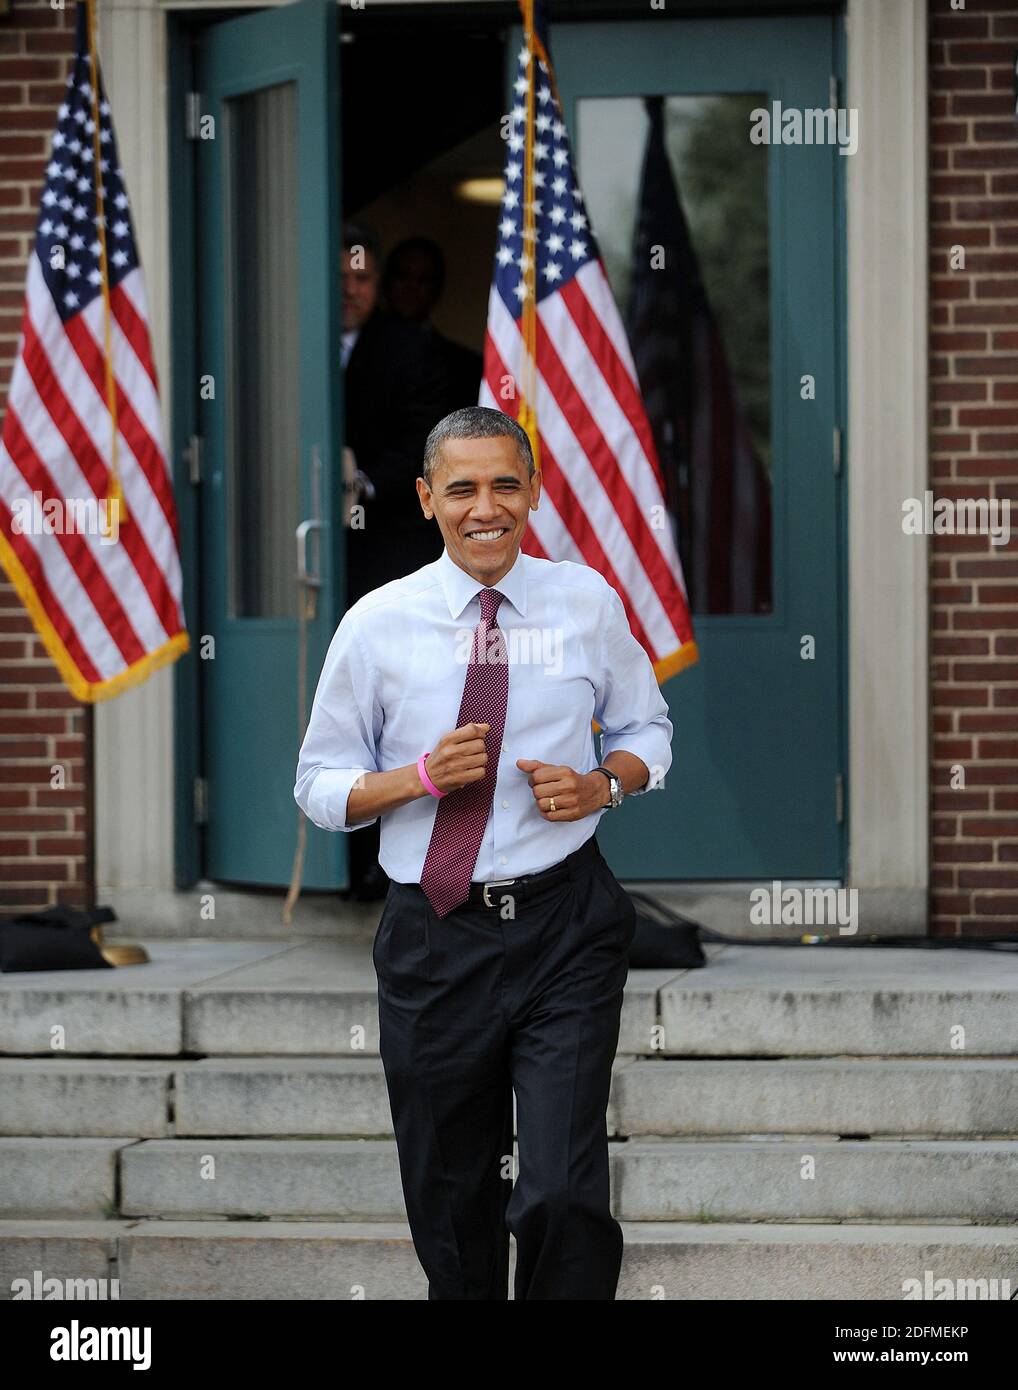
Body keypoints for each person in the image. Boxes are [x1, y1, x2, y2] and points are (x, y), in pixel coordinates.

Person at [294, 405, 673, 1300]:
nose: (485, 507)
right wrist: (416, 777)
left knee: (561, 1191)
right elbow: (318, 787)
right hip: (436, 937)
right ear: (427, 500)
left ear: (533, 491)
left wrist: (601, 786)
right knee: (453, 1201)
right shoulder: (378, 624)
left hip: (565, 925)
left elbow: (645, 728)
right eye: (461, 488)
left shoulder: (585, 603)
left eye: (506, 483)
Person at [340, 223, 449, 899]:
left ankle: (377, 870)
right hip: (309, 565)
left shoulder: (408, 348)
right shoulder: (285, 339)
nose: (350, 289)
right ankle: (337, 865)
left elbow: (423, 443)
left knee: (390, 709)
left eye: (362, 277)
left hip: (386, 556)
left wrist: (365, 482)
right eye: (341, 276)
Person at [382, 236, 484, 412]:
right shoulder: (355, 353)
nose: (411, 287)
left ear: (438, 288)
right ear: (385, 282)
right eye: (403, 276)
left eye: (424, 280)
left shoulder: (466, 368)